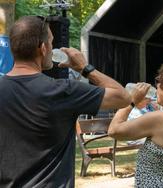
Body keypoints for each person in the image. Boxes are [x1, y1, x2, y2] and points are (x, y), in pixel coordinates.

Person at [0, 16, 131, 187]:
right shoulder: (63, 91)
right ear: (43, 48)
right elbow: (123, 97)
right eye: (52, 43)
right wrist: (85, 68)